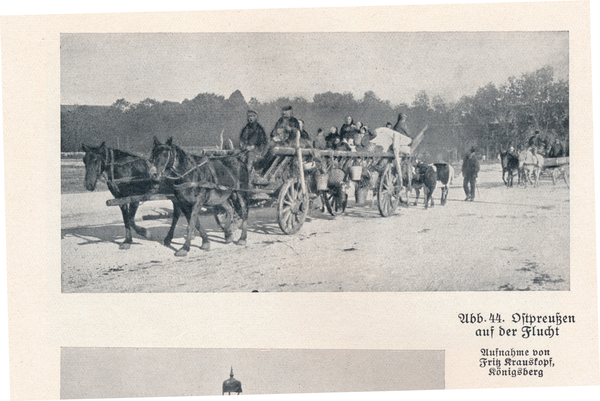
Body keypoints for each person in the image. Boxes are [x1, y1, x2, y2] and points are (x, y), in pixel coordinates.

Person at [239, 110, 268, 177]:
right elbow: (241, 140)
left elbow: (263, 143)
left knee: (250, 157)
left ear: (256, 117)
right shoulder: (245, 129)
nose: (250, 118)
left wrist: (253, 147)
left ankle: (247, 176)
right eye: (249, 116)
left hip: (256, 152)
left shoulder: (260, 129)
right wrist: (244, 146)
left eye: (252, 116)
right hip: (245, 151)